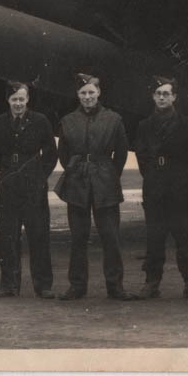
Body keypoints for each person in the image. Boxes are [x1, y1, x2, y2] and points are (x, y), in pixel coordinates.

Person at [54, 73, 136, 300]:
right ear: (78, 95)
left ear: (99, 93)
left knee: (110, 235)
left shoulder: (114, 119)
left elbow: (120, 153)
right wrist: (77, 169)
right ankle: (77, 286)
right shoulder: (68, 121)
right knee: (78, 236)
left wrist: (107, 173)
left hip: (105, 181)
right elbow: (63, 153)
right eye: (83, 93)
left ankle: (115, 286)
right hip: (77, 182)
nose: (88, 97)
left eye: (91, 92)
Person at [134, 76, 188, 300]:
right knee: (154, 236)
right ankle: (152, 281)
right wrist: (156, 177)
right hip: (155, 187)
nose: (162, 97)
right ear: (153, 97)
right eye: (158, 94)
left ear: (174, 96)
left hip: (181, 187)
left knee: (184, 236)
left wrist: (183, 180)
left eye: (166, 93)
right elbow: (142, 157)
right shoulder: (144, 126)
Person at [0, 81, 57, 298]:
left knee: (39, 235)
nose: (18, 103)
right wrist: (11, 174)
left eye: (21, 99)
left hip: (33, 187)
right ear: (8, 101)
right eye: (14, 99)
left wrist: (39, 177)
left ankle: (43, 285)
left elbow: (50, 154)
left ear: (27, 99)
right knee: (8, 236)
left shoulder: (40, 121)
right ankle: (9, 285)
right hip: (8, 186)